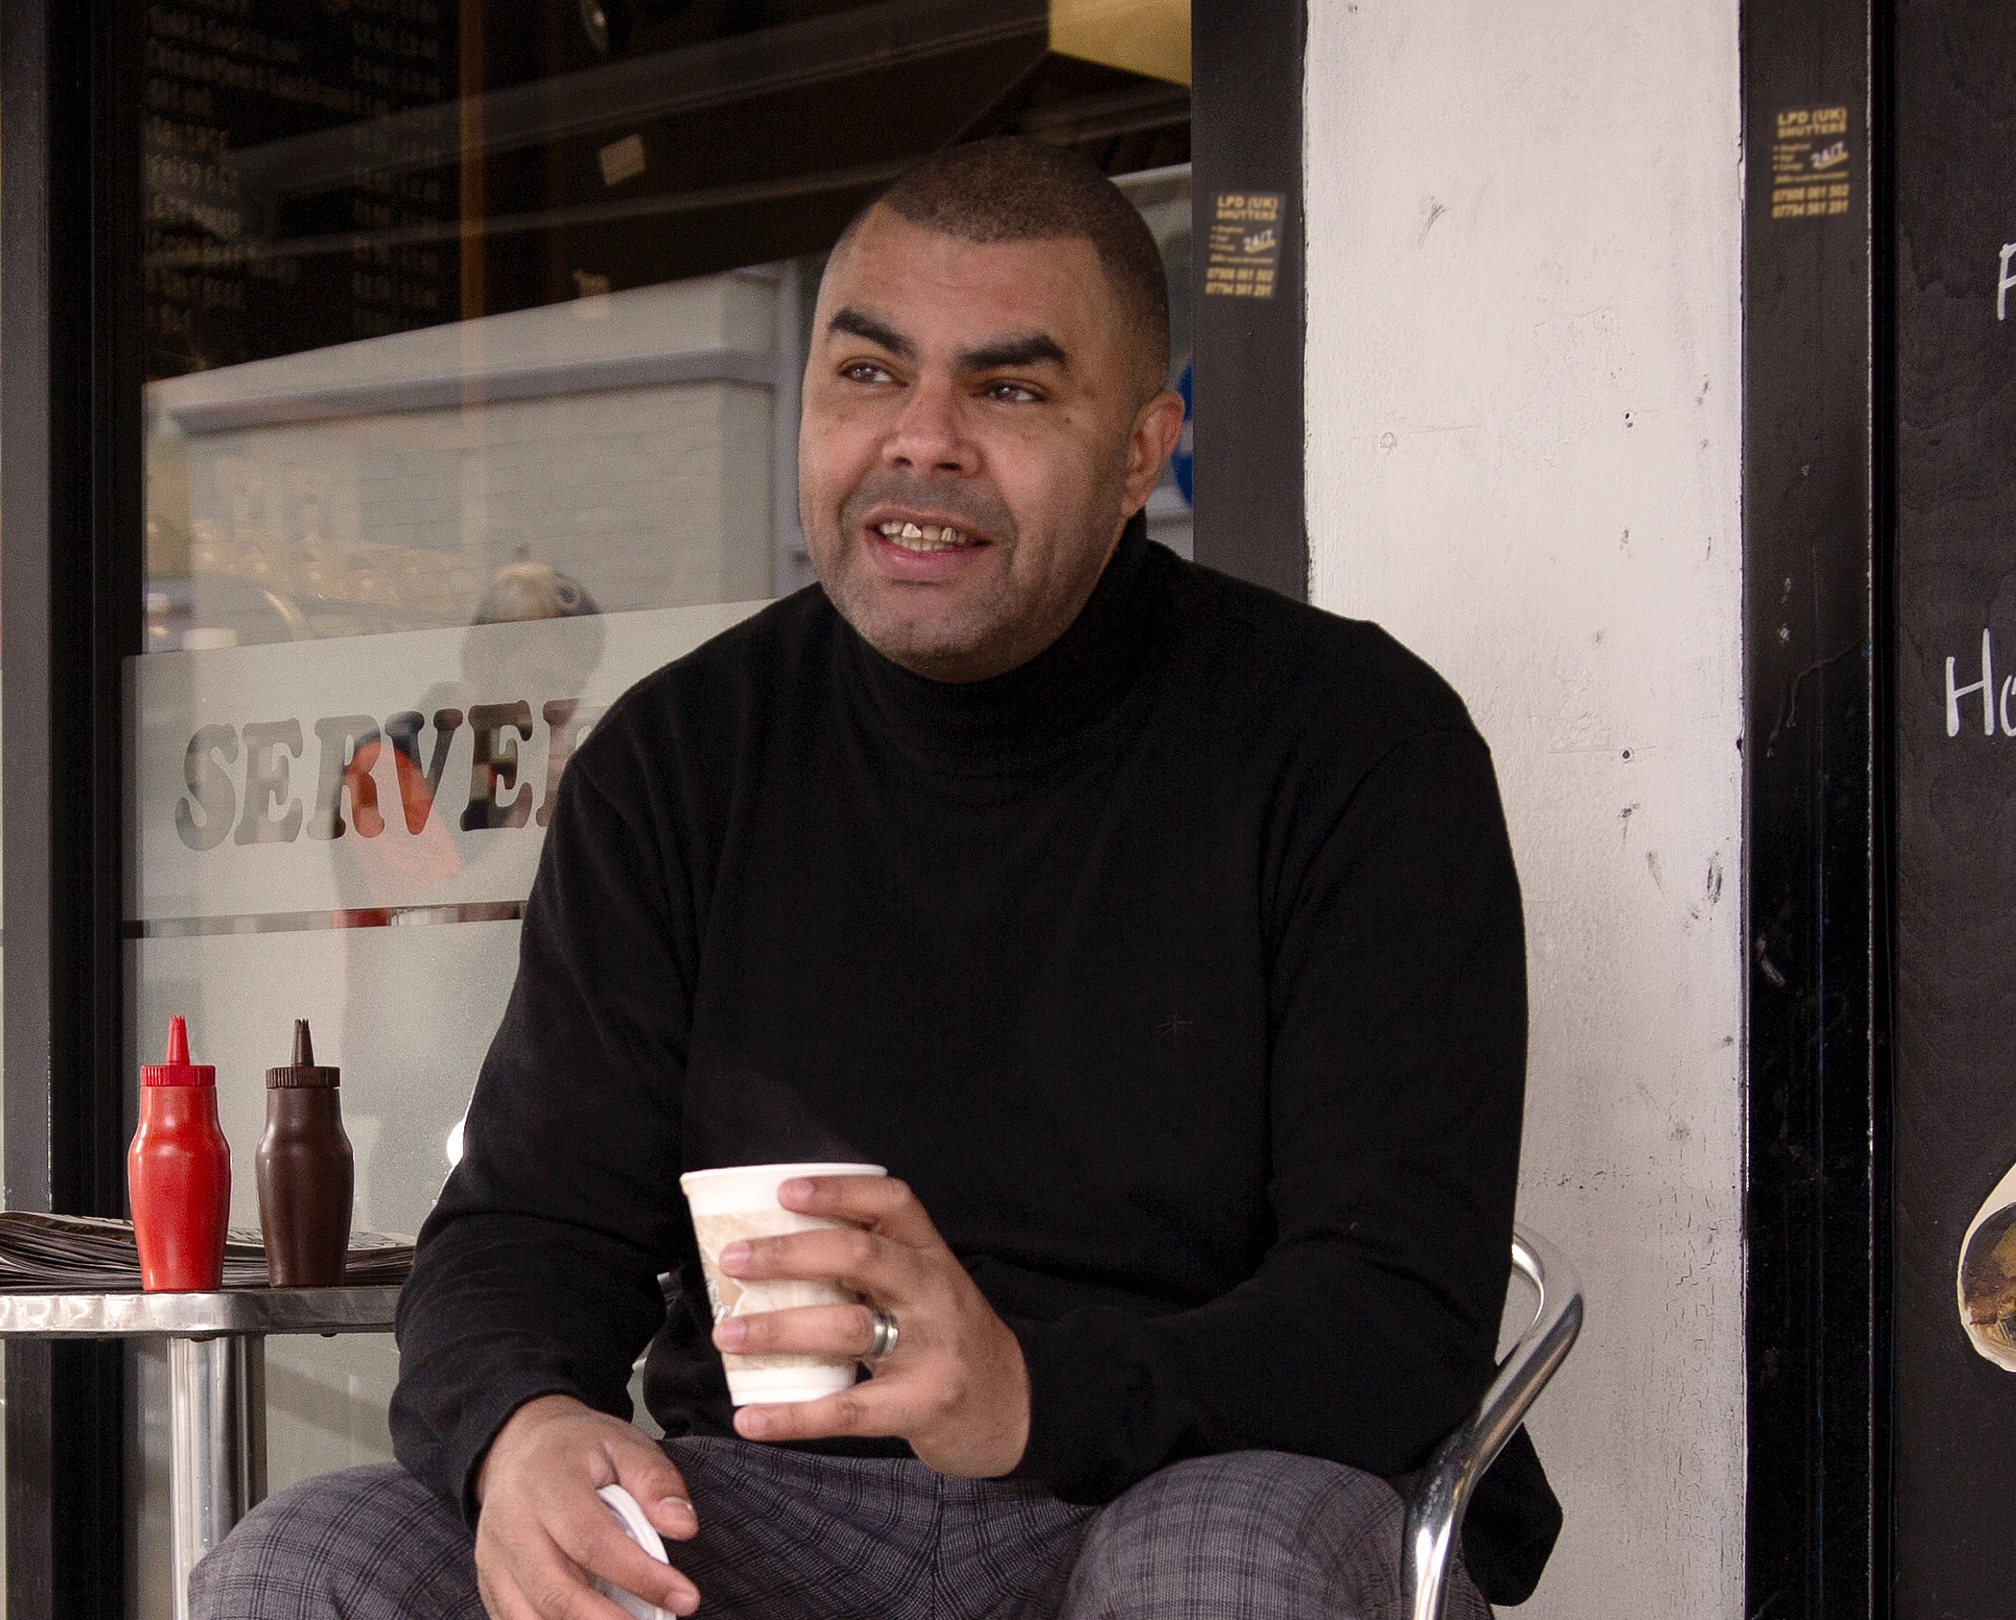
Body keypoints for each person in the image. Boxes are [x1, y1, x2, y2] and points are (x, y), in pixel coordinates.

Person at [191, 137, 1550, 1620]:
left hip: (1179, 1481)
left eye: (1012, 389)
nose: (924, 440)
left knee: (1211, 1572)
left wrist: (1029, 1391)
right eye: (867, 375)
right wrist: (520, 1426)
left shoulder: (1352, 746)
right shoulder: (678, 762)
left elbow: (1396, 1315)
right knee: (313, 1566)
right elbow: (530, 1226)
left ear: (1140, 450)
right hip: (767, 1507)